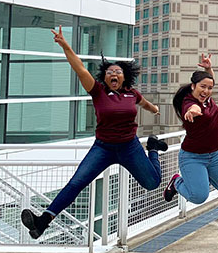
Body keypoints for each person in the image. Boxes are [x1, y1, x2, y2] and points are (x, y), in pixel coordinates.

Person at [21, 27, 167, 239]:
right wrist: (64, 44)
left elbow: (144, 103)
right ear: (104, 77)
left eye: (118, 72)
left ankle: (152, 148)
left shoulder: (131, 94)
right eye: (109, 72)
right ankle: (42, 221)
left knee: (152, 183)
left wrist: (154, 109)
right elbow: (80, 68)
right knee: (76, 183)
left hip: (129, 147)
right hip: (103, 148)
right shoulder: (97, 91)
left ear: (124, 77)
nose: (114, 74)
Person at [162, 55, 218, 206]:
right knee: (198, 197)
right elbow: (192, 107)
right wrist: (192, 110)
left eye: (209, 88)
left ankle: (203, 176)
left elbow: (209, 82)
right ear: (193, 86)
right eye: (202, 87)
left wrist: (208, 69)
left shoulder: (207, 98)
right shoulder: (188, 102)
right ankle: (176, 182)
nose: (206, 91)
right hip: (193, 156)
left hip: (215, 154)